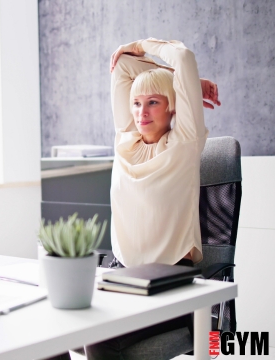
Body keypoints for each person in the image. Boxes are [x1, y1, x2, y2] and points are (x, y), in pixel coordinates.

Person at [42, 38, 221, 360]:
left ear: (173, 105)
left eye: (153, 102)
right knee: (50, 330)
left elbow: (182, 55)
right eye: (136, 103)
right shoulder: (126, 141)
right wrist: (181, 81)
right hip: (122, 277)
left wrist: (143, 46)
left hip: (171, 284)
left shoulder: (185, 143)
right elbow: (123, 66)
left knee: (97, 338)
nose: (141, 112)